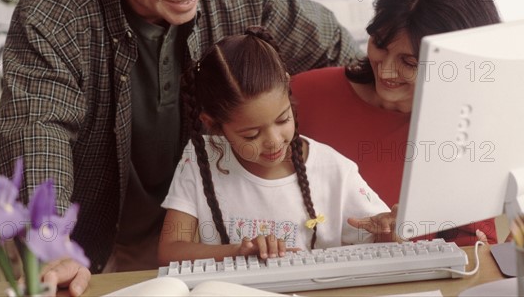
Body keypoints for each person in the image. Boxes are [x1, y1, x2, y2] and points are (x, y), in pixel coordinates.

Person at [0, 0, 358, 293]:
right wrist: (51, 247)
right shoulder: (57, 3)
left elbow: (343, 62)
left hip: (218, 241)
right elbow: (36, 130)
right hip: (98, 241)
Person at [291, 0, 502, 246]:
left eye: (409, 62)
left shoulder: (467, 133)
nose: (387, 70)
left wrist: (406, 244)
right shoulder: (302, 98)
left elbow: (473, 256)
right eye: (379, 43)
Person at [157, 28, 396, 265]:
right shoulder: (201, 159)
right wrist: (239, 251)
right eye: (251, 134)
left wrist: (388, 232)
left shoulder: (334, 170)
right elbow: (170, 252)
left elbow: (385, 249)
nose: (273, 141)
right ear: (213, 125)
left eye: (283, 119)